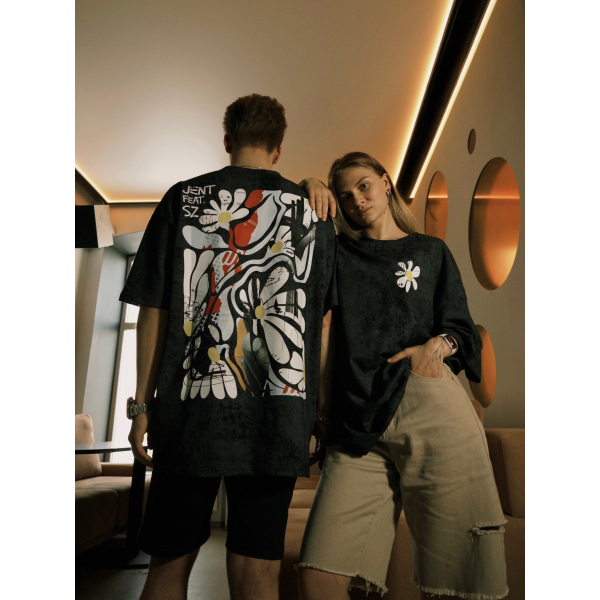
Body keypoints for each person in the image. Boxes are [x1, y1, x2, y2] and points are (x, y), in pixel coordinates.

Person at [120, 93, 337, 600]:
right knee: (258, 574)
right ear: (279, 149)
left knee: (167, 567)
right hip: (279, 418)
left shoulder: (182, 198)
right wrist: (319, 413)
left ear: (226, 140)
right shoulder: (313, 212)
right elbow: (322, 324)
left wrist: (142, 406)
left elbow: (154, 309)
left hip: (188, 415)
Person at [297, 152, 508, 600]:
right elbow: (324, 326)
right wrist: (306, 186)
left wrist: (435, 349)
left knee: (456, 581)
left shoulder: (430, 251)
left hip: (429, 404)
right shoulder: (338, 253)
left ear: (386, 182)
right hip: (357, 422)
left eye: (363, 185)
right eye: (344, 195)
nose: (356, 200)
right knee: (319, 575)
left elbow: (462, 329)